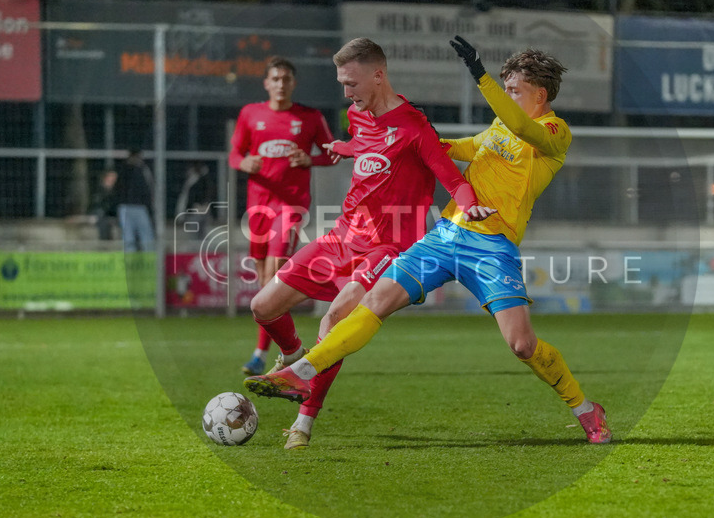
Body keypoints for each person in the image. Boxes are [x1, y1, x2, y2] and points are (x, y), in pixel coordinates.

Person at [245, 35, 612, 445]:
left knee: (522, 346)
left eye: (514, 89)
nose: (507, 95)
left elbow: (520, 125)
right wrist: (396, 140)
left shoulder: (554, 133)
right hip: (446, 235)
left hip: (491, 246)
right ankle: (302, 372)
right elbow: (460, 147)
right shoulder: (497, 128)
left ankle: (584, 409)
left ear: (540, 94)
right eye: (504, 87)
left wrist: (480, 77)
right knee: (374, 303)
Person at [243, 37, 492, 449]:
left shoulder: (415, 126)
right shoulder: (357, 116)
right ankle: (292, 358)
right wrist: (344, 147)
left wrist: (471, 207)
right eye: (342, 83)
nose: (346, 93)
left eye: (352, 83)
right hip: (342, 234)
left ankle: (303, 423)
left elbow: (453, 180)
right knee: (262, 306)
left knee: (335, 318)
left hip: (389, 246)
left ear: (378, 75)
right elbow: (367, 145)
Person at [230, 56, 337, 376]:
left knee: (274, 273)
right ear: (266, 83)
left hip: (289, 206)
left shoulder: (309, 117)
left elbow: (331, 153)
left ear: (293, 83)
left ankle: (270, 352)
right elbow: (235, 152)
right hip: (258, 206)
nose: (280, 84)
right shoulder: (251, 114)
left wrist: (310, 159)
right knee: (264, 282)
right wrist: (243, 163)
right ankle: (271, 350)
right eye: (275, 79)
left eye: (286, 79)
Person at [113, 147, 155, 252]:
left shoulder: (138, 170)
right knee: (133, 239)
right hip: (131, 207)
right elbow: (148, 189)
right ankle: (134, 265)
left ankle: (145, 264)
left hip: (135, 207)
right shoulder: (135, 170)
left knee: (140, 239)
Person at [90, 169, 119, 241]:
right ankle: (104, 242)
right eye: (112, 177)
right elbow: (97, 204)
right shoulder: (99, 190)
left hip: (113, 213)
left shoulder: (117, 190)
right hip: (103, 214)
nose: (114, 180)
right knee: (102, 219)